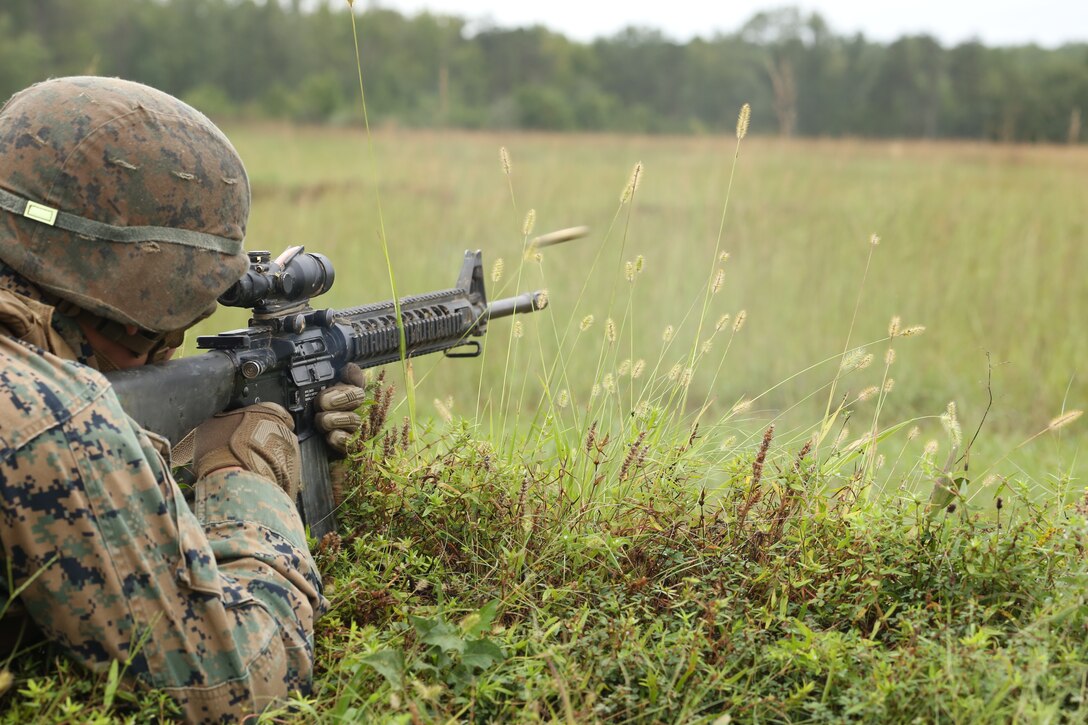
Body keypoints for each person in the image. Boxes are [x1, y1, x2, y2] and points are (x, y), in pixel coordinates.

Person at [0, 76, 344, 721]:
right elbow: (235, 687)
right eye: (165, 337)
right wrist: (246, 473)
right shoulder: (52, 421)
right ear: (138, 311)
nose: (168, 350)